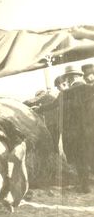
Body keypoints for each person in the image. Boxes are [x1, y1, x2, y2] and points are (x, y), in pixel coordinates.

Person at [33, 65, 94, 193]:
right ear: (80, 76)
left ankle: (85, 186)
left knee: (79, 158)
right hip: (90, 131)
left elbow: (51, 106)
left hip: (74, 134)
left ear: (70, 78)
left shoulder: (65, 93)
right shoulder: (90, 89)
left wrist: (38, 109)